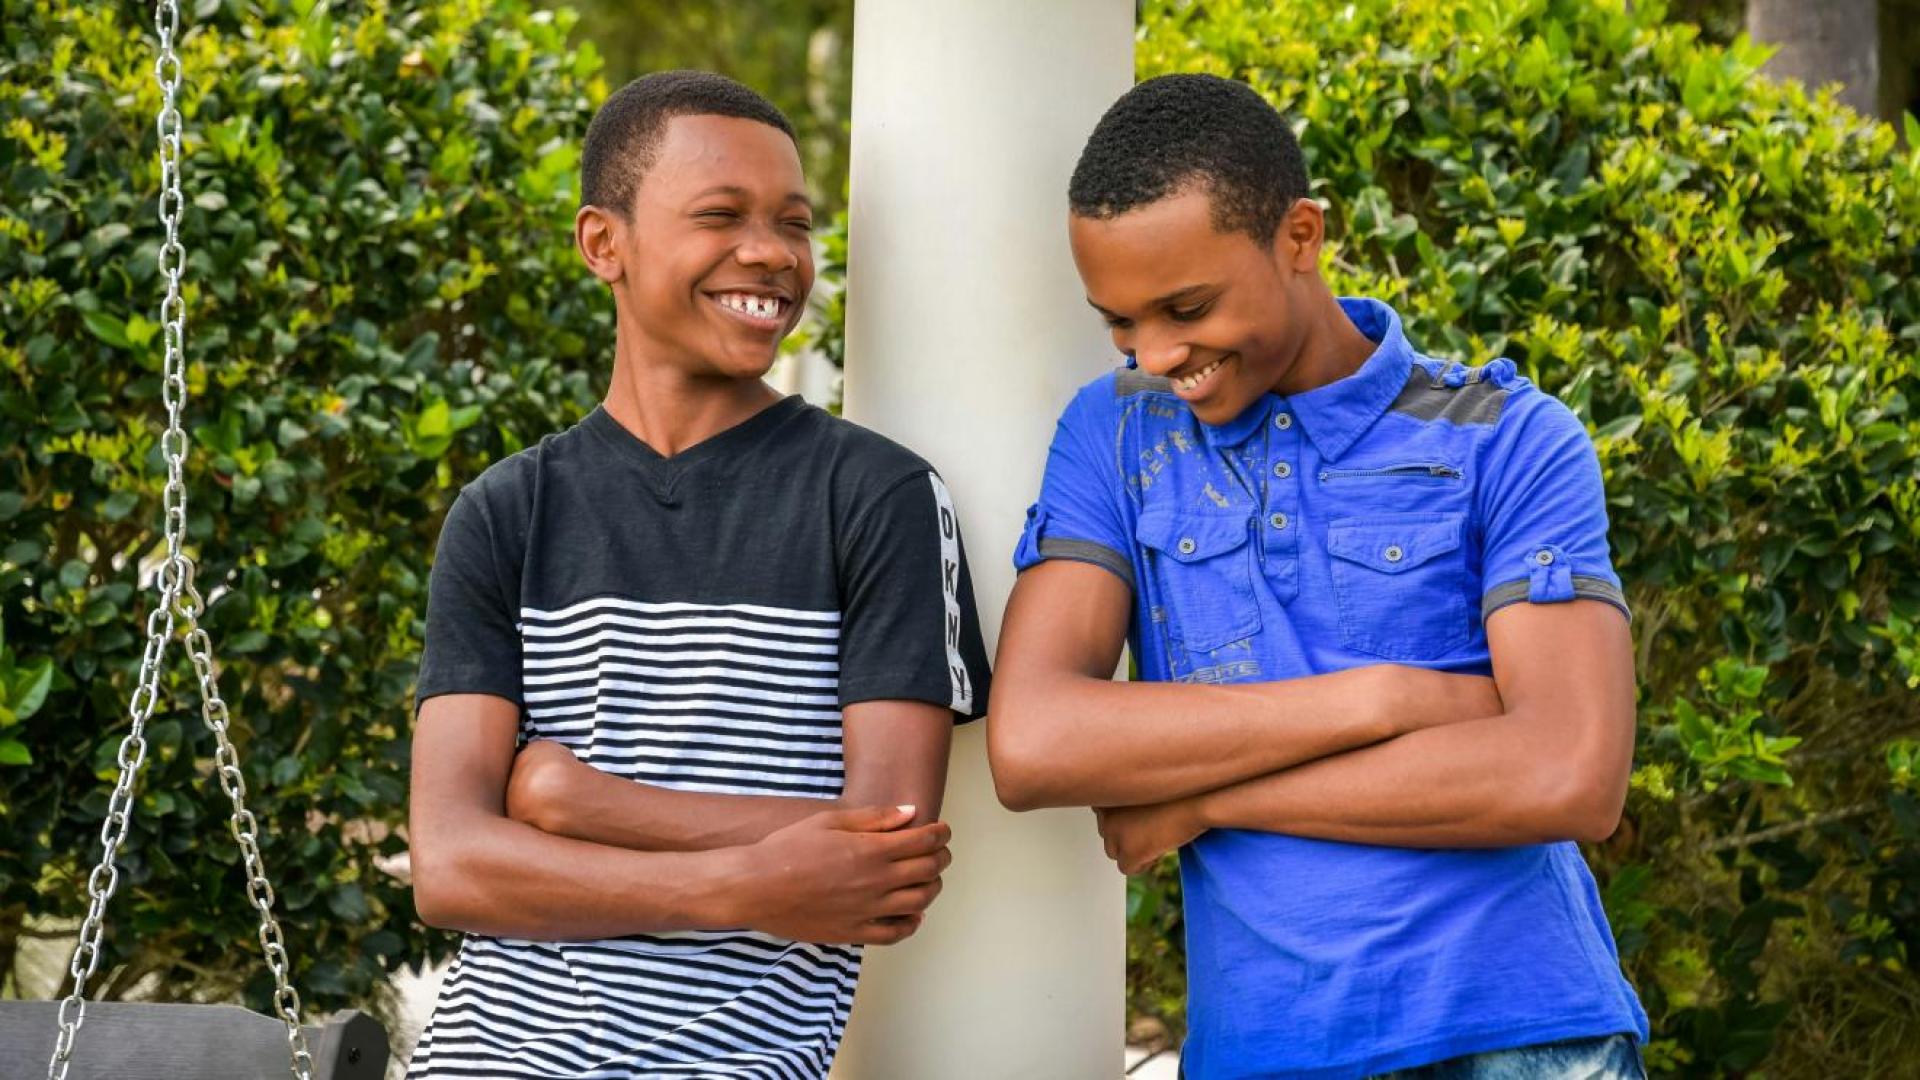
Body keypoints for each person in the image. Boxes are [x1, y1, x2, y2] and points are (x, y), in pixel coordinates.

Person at [988, 73, 1648, 1079]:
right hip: (1262, 1051)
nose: (1158, 352)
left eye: (1188, 306)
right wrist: (1385, 698)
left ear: (1299, 236)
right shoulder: (1116, 435)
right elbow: (1036, 741)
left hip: (1525, 1036)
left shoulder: (1509, 438)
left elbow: (1568, 775)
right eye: (1121, 322)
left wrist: (1207, 800)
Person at [405, 70, 992, 1079]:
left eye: (794, 224)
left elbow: (886, 859)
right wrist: (738, 887)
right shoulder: (506, 512)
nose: (771, 253)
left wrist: (576, 803)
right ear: (605, 244)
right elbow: (453, 866)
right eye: (721, 215)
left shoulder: (878, 495)